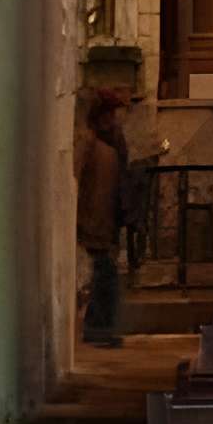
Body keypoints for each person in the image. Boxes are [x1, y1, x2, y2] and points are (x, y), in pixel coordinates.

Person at [74, 91, 128, 348]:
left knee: (105, 279)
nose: (114, 121)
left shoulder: (109, 149)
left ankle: (99, 329)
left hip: (102, 226)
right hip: (93, 227)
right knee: (104, 278)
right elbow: (86, 190)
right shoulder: (94, 148)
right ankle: (97, 329)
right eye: (110, 115)